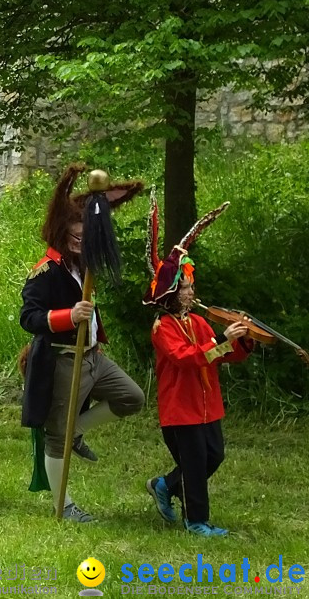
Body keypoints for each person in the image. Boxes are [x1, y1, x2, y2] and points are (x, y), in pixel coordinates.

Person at [20, 163, 145, 522]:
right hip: (62, 360)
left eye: (84, 236)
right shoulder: (44, 271)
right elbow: (29, 318)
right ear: (60, 232)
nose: (80, 242)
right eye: (75, 237)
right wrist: (67, 317)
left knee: (131, 397)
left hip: (93, 357)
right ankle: (65, 506)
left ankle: (79, 430)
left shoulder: (83, 263)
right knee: (55, 437)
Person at [143, 199, 252, 537]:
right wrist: (221, 337)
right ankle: (197, 521)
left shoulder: (200, 322)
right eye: (186, 288)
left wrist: (244, 339)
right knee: (193, 465)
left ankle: (164, 484)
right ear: (172, 294)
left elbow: (223, 354)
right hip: (180, 410)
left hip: (208, 406)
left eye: (190, 287)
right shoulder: (163, 327)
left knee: (213, 457)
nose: (192, 292)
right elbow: (187, 357)